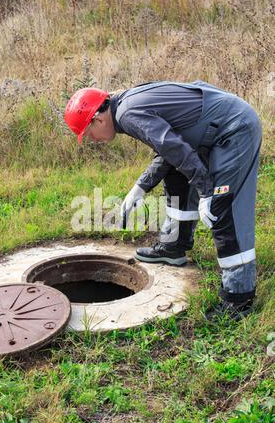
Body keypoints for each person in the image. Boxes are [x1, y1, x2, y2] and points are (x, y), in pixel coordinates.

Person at [64, 80, 262, 320]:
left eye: (88, 133)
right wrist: (141, 187)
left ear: (98, 119)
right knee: (176, 175)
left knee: (223, 209)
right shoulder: (124, 107)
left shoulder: (127, 114)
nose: (91, 140)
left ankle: (238, 299)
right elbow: (170, 149)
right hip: (211, 130)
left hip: (234, 129)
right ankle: (173, 247)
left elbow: (174, 148)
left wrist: (207, 192)